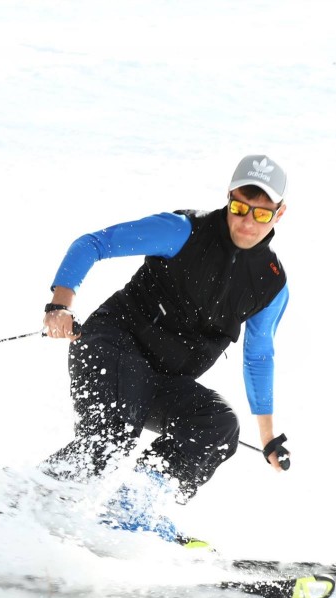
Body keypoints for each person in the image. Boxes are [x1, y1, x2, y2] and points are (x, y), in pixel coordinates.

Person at [36, 155, 293, 542]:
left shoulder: (270, 284)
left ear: (279, 213)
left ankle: (130, 509)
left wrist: (269, 437)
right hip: (112, 346)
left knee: (217, 427)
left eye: (261, 213)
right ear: (228, 198)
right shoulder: (182, 231)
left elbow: (258, 356)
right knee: (111, 436)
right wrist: (60, 304)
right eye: (240, 207)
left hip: (165, 380)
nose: (246, 222)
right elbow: (94, 244)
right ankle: (16, 506)